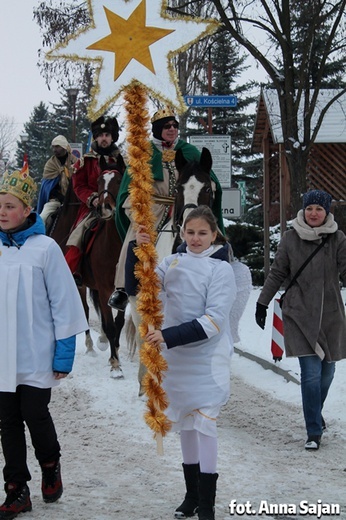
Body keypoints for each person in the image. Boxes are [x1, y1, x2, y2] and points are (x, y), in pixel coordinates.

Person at [127, 205, 236, 520]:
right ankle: (190, 496)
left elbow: (214, 320)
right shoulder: (172, 262)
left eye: (202, 233)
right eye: (190, 232)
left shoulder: (221, 270)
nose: (196, 239)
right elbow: (146, 286)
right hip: (175, 360)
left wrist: (168, 336)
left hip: (206, 360)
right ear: (181, 233)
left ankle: (207, 504)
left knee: (205, 425)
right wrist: (142, 249)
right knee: (185, 424)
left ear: (214, 234)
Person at [0, 169, 88, 518]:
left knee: (34, 413)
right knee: (6, 421)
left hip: (36, 352)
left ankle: (50, 463)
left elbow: (64, 303)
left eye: (9, 206)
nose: (3, 212)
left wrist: (64, 353)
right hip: (3, 355)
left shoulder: (46, 249)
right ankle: (16, 488)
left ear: (26, 210)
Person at [108, 106, 225, 311]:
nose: (172, 129)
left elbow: (207, 177)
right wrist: (138, 212)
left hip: (185, 202)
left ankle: (222, 269)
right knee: (137, 237)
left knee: (207, 233)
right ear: (157, 129)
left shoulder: (189, 151)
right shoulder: (143, 153)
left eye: (175, 126)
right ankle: (124, 289)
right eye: (167, 126)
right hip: (152, 206)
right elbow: (128, 190)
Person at [255, 189, 346, 451]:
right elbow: (277, 273)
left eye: (319, 209)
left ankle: (315, 413)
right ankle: (313, 432)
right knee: (311, 374)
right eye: (309, 209)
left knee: (327, 372)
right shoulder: (290, 238)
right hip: (299, 313)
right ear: (303, 211)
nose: (314, 213)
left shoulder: (337, 238)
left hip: (330, 315)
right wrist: (262, 303)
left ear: (327, 211)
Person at [64, 115, 126, 285]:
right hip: (92, 208)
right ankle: (74, 271)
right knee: (78, 234)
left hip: (118, 206)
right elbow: (79, 186)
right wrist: (92, 199)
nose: (104, 138)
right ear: (96, 137)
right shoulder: (85, 161)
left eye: (107, 135)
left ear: (112, 137)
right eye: (100, 135)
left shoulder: (123, 161)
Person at [37, 135, 77, 225]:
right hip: (56, 201)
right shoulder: (50, 164)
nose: (55, 149)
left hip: (75, 200)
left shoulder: (75, 162)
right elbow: (48, 188)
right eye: (53, 147)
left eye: (57, 146)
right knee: (42, 218)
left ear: (64, 147)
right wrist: (61, 198)